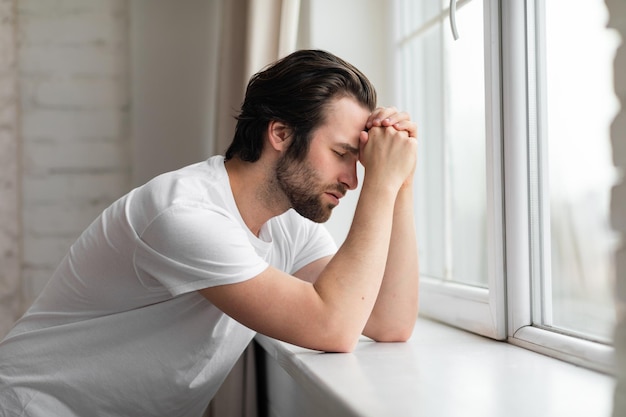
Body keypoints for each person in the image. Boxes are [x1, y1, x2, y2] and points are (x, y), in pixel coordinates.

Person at [0, 49, 418, 416]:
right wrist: (381, 183)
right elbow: (334, 327)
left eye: (360, 162)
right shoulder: (185, 213)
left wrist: (400, 183)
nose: (354, 178)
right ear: (281, 133)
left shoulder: (288, 225)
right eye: (342, 154)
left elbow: (388, 320)